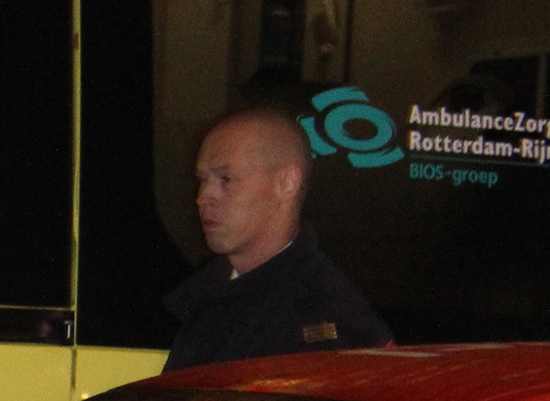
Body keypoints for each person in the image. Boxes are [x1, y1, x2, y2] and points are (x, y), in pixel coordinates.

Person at [164, 104, 391, 369]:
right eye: (203, 180)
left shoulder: (325, 321)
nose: (204, 197)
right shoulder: (210, 295)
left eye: (226, 179)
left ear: (286, 183)